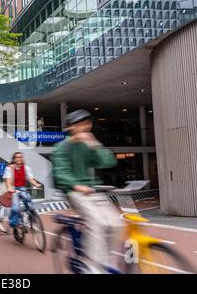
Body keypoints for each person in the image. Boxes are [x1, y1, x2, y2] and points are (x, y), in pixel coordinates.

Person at [52, 109, 124, 272]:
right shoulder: (62, 147)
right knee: (97, 221)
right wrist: (77, 185)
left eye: (87, 123)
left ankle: (105, 261)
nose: (85, 127)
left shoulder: (88, 145)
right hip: (74, 192)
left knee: (115, 223)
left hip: (92, 191)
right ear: (71, 128)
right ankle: (93, 266)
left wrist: (94, 144)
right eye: (81, 124)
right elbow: (60, 173)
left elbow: (108, 161)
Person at [3, 152, 42, 233]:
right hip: (13, 189)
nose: (19, 158)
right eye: (17, 157)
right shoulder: (9, 168)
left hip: (22, 188)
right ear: (14, 159)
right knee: (16, 207)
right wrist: (10, 187)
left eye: (21, 157)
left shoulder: (26, 168)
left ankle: (31, 220)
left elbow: (30, 179)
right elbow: (8, 180)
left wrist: (36, 184)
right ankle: (14, 223)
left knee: (28, 200)